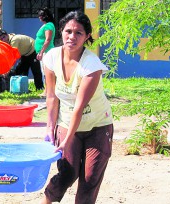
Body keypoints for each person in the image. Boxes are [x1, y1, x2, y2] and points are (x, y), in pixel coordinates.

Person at [40, 10, 114, 204]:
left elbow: (79, 107)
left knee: (90, 179)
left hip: (98, 125)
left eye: (78, 33)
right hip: (66, 122)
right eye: (68, 31)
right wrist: (50, 126)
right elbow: (51, 96)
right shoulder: (51, 57)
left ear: (87, 36)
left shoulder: (91, 65)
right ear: (61, 32)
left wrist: (68, 139)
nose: (72, 37)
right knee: (67, 174)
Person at [35, 7, 56, 96]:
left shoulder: (49, 26)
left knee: (47, 72)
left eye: (41, 16)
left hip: (46, 52)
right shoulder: (46, 25)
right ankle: (47, 90)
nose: (39, 17)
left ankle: (48, 91)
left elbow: (48, 39)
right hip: (44, 52)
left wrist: (41, 52)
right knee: (45, 72)